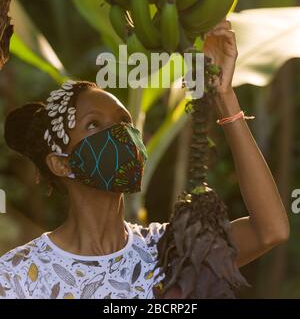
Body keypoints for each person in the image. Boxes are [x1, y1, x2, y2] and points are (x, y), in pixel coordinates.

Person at [0, 19, 289, 299]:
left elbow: (270, 230)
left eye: (123, 122)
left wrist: (223, 95)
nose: (118, 134)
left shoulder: (170, 250)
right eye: (93, 124)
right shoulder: (21, 275)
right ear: (61, 163)